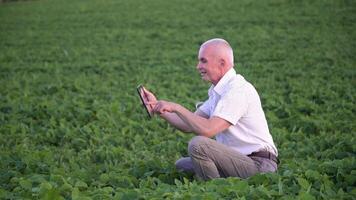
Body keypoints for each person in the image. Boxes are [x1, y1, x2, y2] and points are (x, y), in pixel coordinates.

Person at [142, 38, 278, 181]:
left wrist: (177, 107)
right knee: (182, 165)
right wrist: (157, 107)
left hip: (259, 165)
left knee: (198, 145)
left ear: (222, 63)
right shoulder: (218, 91)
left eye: (203, 61)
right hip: (237, 160)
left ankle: (215, 190)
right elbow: (188, 125)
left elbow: (208, 130)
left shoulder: (238, 90)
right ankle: (224, 182)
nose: (198, 66)